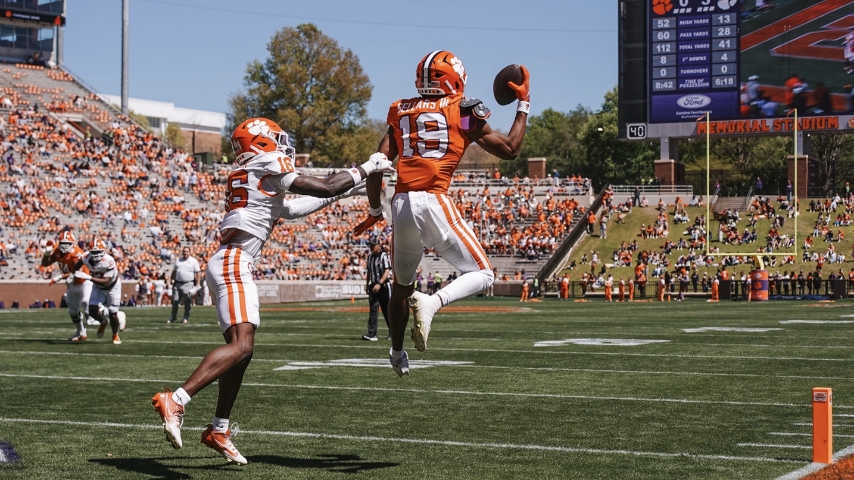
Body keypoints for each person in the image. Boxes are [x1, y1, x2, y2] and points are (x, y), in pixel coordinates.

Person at [151, 117, 391, 464]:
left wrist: (346, 190)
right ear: (261, 142)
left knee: (243, 352)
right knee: (240, 347)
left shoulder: (249, 172)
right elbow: (322, 186)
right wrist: (367, 168)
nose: (282, 144)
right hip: (234, 261)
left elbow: (290, 209)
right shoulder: (266, 162)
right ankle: (176, 400)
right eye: (276, 139)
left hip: (231, 261)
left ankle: (218, 429)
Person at [354, 51, 529, 375]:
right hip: (433, 200)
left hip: (401, 204)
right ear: (454, 79)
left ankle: (395, 352)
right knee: (483, 274)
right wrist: (523, 104)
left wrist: (376, 209)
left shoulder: (400, 110)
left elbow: (377, 165)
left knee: (401, 287)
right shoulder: (462, 111)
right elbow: (510, 149)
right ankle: (432, 302)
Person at [71, 238, 123, 345]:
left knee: (113, 314)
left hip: (113, 287)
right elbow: (79, 262)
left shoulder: (109, 261)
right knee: (92, 310)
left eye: (98, 252)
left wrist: (88, 277)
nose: (95, 255)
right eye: (93, 252)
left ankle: (115, 334)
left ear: (104, 251)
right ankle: (103, 321)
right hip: (97, 286)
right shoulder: (86, 256)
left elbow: (106, 282)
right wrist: (74, 272)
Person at [41, 231, 92, 342]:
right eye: (62, 243)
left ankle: (115, 315)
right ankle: (81, 332)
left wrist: (59, 277)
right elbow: (45, 264)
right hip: (72, 284)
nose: (64, 246)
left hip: (84, 281)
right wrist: (46, 254)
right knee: (73, 311)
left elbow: (78, 272)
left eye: (67, 244)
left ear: (73, 243)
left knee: (87, 303)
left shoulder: (77, 252)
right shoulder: (57, 250)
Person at [363, 237, 392, 341]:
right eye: (370, 245)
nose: (371, 247)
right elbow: (369, 272)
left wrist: (380, 283)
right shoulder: (370, 257)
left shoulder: (384, 256)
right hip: (373, 285)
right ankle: (372, 333)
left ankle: (393, 332)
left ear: (379, 246)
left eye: (373, 245)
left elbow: (387, 271)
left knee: (387, 310)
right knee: (373, 310)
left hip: (383, 286)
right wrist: (367, 284)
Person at [169, 247, 202, 324]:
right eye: (184, 251)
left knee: (187, 301)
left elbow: (198, 272)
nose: (185, 253)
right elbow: (174, 271)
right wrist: (171, 279)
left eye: (187, 251)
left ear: (190, 252)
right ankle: (173, 317)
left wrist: (197, 283)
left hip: (188, 283)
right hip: (178, 283)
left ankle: (185, 317)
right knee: (175, 300)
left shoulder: (193, 261)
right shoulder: (178, 260)